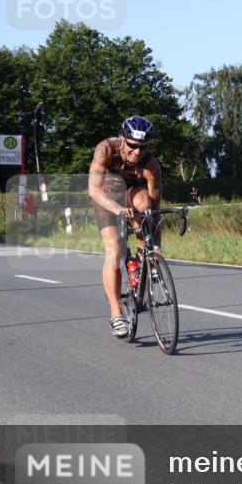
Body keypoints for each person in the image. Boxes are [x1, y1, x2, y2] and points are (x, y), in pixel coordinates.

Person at [87, 116, 162, 338]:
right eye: (133, 145)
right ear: (122, 139)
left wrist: (156, 246)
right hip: (106, 195)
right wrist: (116, 208)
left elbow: (155, 209)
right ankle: (116, 313)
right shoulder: (105, 149)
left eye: (143, 147)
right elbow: (94, 189)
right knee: (115, 250)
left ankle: (142, 262)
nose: (137, 152)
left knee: (145, 205)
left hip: (131, 191)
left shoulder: (150, 164)